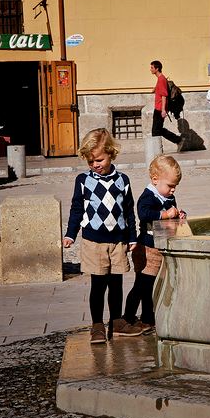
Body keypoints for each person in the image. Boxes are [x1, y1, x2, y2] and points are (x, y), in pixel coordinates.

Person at [63, 128, 143, 344]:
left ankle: (116, 321)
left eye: (98, 159)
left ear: (111, 154)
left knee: (116, 283)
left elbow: (128, 211)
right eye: (90, 162)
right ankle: (97, 325)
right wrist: (71, 234)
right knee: (98, 285)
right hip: (93, 241)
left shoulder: (122, 180)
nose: (95, 165)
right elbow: (77, 209)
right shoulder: (83, 180)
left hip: (118, 241)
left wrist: (132, 237)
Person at [123, 154, 186, 332]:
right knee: (142, 285)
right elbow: (144, 214)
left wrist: (179, 214)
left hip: (159, 246)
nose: (173, 190)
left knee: (151, 286)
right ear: (155, 179)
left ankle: (147, 318)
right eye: (171, 186)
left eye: (175, 187)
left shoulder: (167, 196)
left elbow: (171, 212)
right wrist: (165, 215)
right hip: (146, 248)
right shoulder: (148, 196)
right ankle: (127, 317)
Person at [150, 60, 185, 151]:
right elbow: (161, 90)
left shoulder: (161, 79)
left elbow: (164, 95)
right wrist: (155, 89)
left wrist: (163, 110)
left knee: (155, 131)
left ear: (157, 69)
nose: (150, 69)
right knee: (157, 130)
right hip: (158, 107)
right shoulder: (161, 79)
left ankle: (176, 141)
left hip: (159, 108)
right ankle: (177, 140)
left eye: (152, 68)